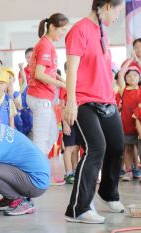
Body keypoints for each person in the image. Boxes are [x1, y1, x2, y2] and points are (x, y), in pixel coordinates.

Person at [64, 0, 125, 224]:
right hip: (84, 101)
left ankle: (108, 193)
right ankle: (78, 209)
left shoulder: (102, 31)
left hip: (106, 100)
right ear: (108, 5)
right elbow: (72, 68)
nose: (118, 15)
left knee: (117, 145)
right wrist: (71, 102)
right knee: (95, 148)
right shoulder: (79, 30)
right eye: (118, 10)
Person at [26, 13, 68, 156]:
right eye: (62, 30)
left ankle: (39, 167)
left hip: (43, 97)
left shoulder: (47, 44)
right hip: (39, 96)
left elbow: (49, 70)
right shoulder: (45, 45)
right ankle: (38, 172)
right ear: (51, 27)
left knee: (52, 134)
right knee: (41, 139)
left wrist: (62, 80)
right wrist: (61, 84)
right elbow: (39, 73)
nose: (63, 33)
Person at [117, 67, 141, 181]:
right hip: (126, 125)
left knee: (137, 148)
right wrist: (130, 60)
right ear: (125, 78)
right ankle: (128, 170)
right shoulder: (123, 90)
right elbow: (120, 74)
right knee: (128, 148)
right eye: (129, 75)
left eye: (135, 75)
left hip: (139, 125)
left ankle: (137, 169)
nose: (132, 77)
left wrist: (137, 60)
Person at [59, 63, 80, 184]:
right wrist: (65, 123)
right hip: (68, 120)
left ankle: (76, 171)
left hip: (79, 121)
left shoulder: (79, 84)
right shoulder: (64, 86)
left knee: (76, 148)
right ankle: (68, 173)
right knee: (69, 148)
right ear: (66, 71)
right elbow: (61, 107)